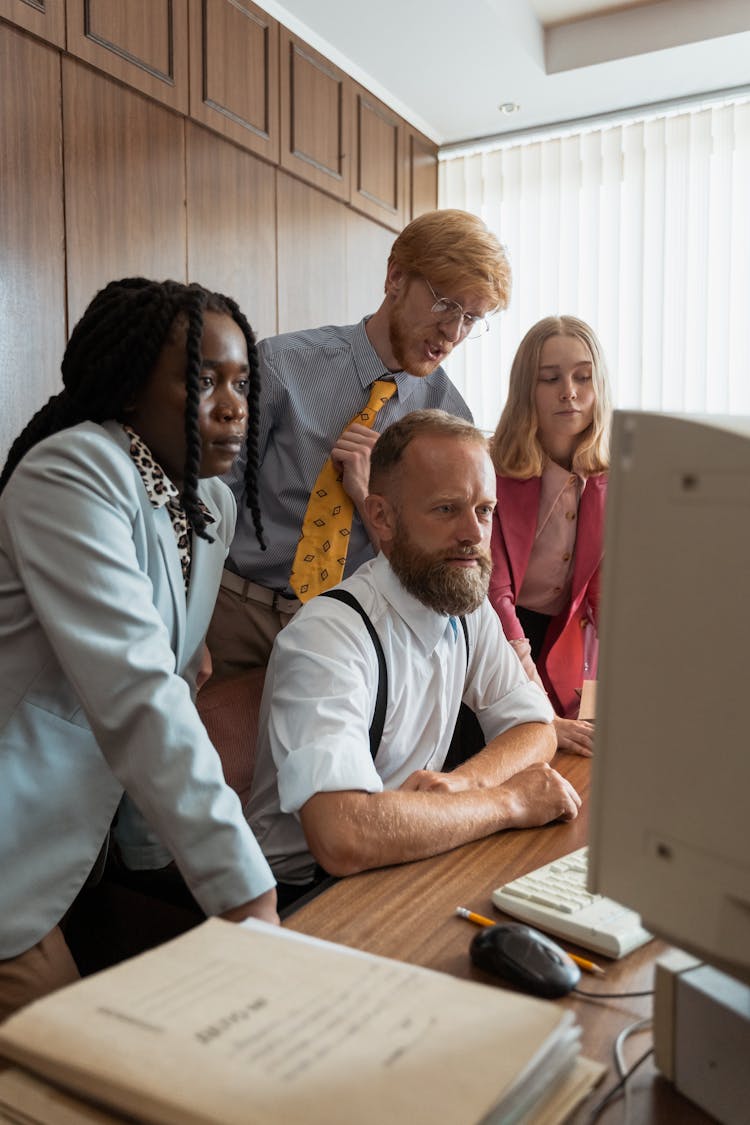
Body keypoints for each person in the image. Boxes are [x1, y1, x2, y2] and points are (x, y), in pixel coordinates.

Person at [0, 278, 278, 1021]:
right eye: (202, 381)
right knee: (76, 1069)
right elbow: (139, 693)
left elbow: (178, 676)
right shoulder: (71, 474)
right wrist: (244, 891)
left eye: (240, 382)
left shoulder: (207, 502)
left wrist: (160, 864)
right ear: (127, 389)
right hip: (13, 841)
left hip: (88, 848)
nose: (231, 405)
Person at [247, 411, 581, 908]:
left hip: (407, 857)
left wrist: (462, 783)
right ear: (381, 516)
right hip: (307, 897)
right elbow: (343, 836)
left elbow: (535, 725)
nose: (473, 533)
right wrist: (506, 801)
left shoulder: (462, 602)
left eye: (484, 510)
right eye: (447, 509)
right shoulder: (327, 637)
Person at [207, 209, 512, 675]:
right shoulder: (280, 364)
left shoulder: (451, 421)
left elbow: (431, 555)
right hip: (237, 614)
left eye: (471, 318)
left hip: (348, 631)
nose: (453, 333)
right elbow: (209, 500)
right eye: (445, 304)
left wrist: (370, 496)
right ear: (395, 277)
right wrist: (186, 626)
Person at [488, 315, 612, 757]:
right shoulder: (492, 471)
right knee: (519, 745)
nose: (569, 391)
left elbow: (600, 606)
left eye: (583, 376)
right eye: (550, 378)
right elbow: (495, 596)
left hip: (567, 635)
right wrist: (541, 712)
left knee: (585, 750)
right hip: (498, 634)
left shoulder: (607, 478)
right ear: (527, 389)